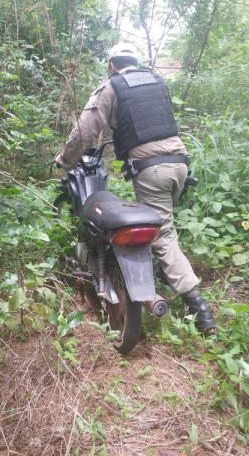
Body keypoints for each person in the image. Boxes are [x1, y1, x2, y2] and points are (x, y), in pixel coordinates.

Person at [55, 43, 217, 334]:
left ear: (112, 65)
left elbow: (85, 132)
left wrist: (66, 161)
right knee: (163, 224)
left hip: (151, 169)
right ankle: (163, 273)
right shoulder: (157, 81)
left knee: (162, 235)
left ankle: (199, 309)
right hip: (179, 164)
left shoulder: (112, 86)